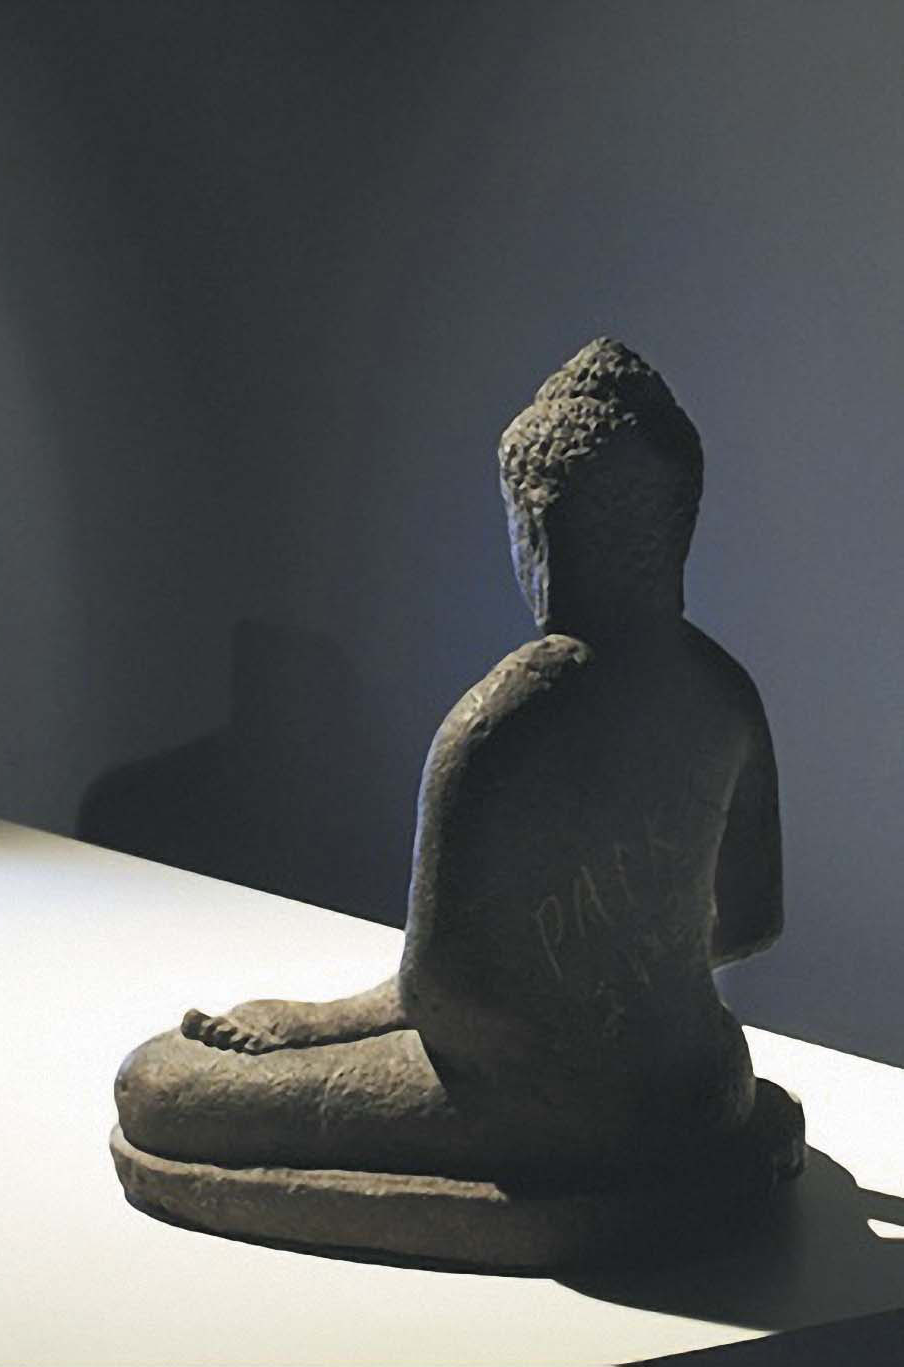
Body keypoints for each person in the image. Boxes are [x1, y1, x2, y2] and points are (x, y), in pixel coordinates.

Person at [115, 339, 784, 1187]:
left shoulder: (514, 711)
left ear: (538, 527)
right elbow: (750, 921)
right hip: (702, 1083)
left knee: (158, 1085)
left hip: (545, 1103)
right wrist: (635, 976)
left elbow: (444, 997)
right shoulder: (723, 690)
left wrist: (310, 1022)